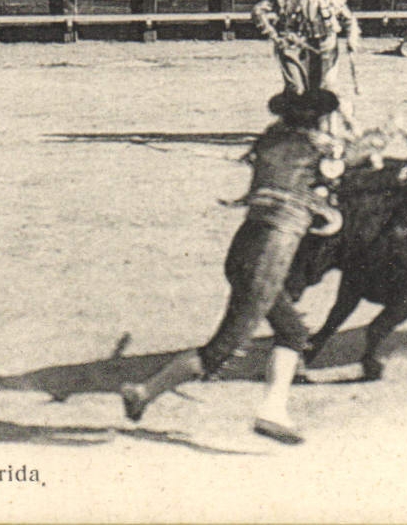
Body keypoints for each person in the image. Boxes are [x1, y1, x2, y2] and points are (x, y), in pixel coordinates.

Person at [120, 89, 349, 445]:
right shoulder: (323, 150)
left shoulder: (270, 141)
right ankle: (143, 391)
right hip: (269, 258)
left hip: (244, 245)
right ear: (319, 118)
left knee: (292, 333)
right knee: (220, 350)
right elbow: (345, 173)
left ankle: (273, 408)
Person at [252, 0, 362, 101]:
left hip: (325, 46)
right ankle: (294, 121)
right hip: (294, 46)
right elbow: (258, 11)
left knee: (325, 89)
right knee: (296, 89)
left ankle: (321, 123)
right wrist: (274, 36)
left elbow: (349, 20)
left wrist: (352, 39)